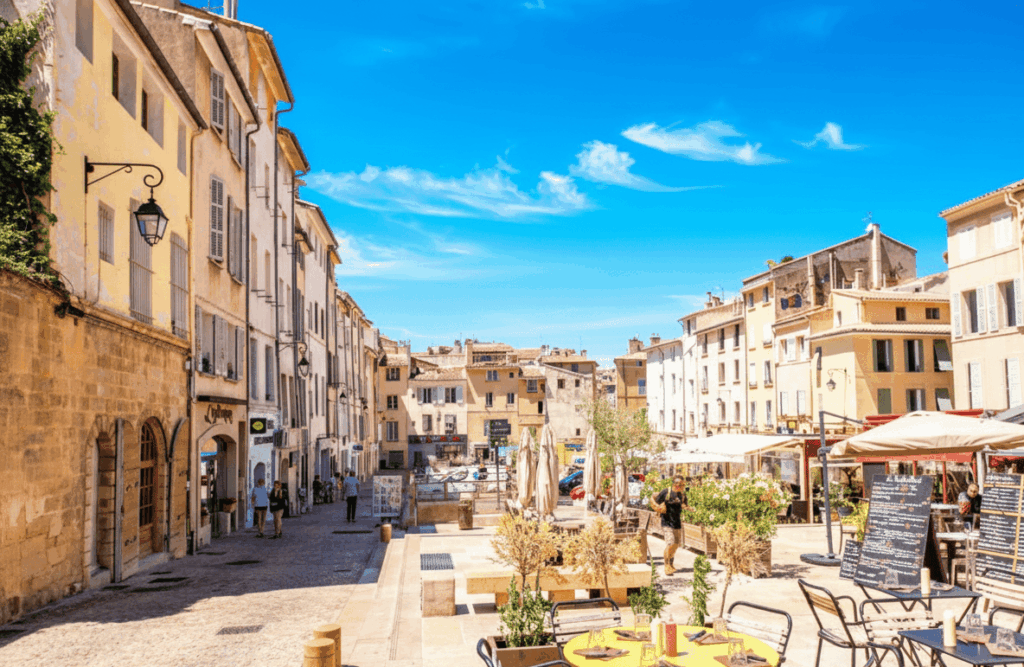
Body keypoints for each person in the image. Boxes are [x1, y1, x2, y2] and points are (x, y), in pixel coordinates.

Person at [651, 475, 687, 575]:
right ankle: (666, 565)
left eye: (682, 484)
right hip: (667, 522)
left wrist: (689, 508)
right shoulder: (665, 492)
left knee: (676, 545)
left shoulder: (681, 495)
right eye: (679, 484)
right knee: (670, 543)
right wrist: (659, 508)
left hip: (677, 522)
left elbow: (684, 505)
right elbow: (655, 501)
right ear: (674, 483)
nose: (681, 486)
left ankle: (671, 564)